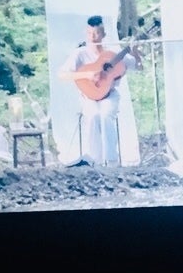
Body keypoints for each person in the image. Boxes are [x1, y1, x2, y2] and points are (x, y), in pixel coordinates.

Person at [57, 15, 142, 166]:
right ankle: (95, 159)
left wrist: (134, 50)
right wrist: (86, 75)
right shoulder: (80, 53)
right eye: (90, 33)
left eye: (96, 33)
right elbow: (62, 74)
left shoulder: (113, 53)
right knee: (93, 116)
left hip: (110, 94)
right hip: (89, 95)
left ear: (103, 34)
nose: (93, 37)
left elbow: (138, 67)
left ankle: (111, 160)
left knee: (106, 115)